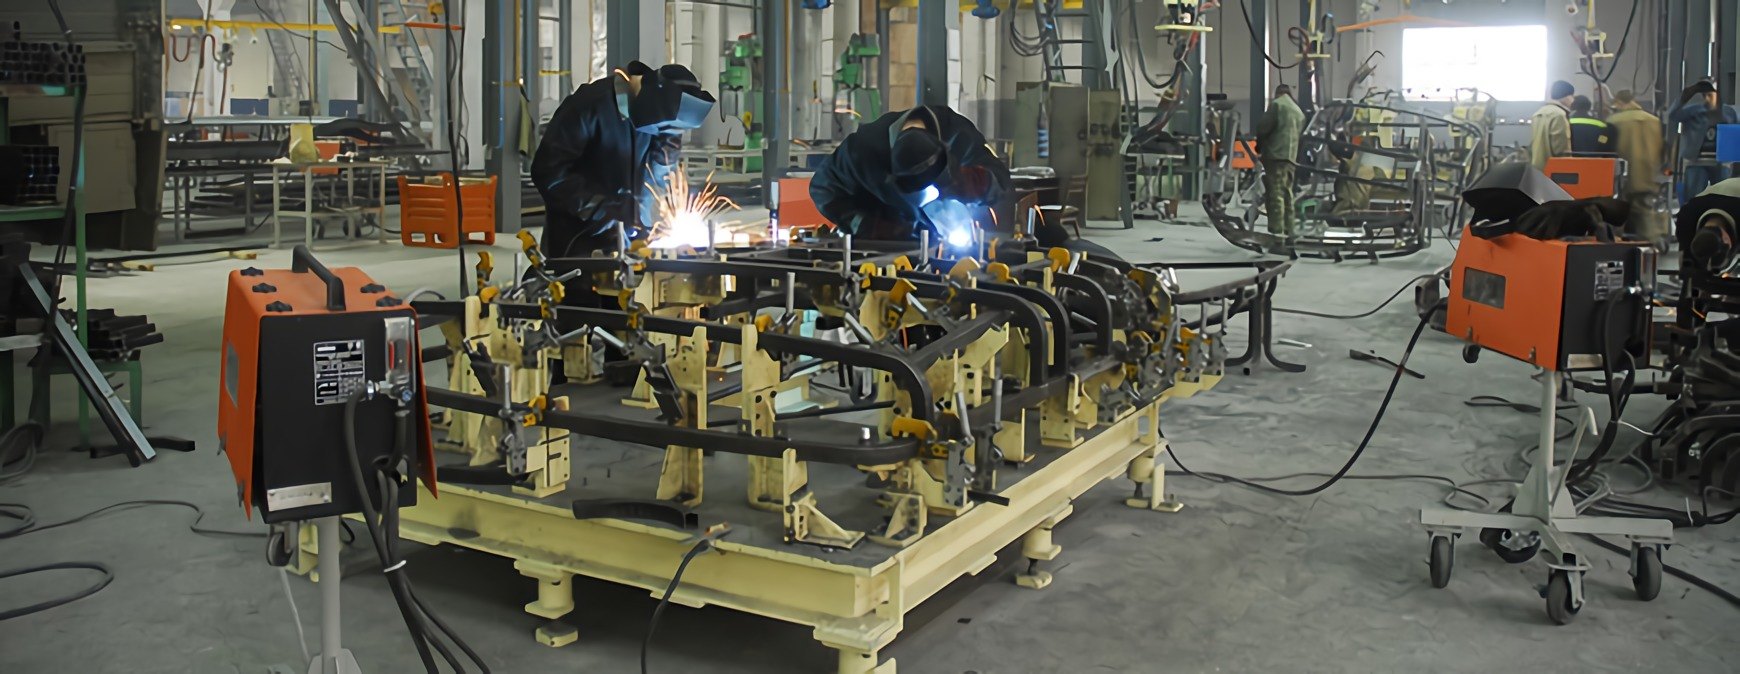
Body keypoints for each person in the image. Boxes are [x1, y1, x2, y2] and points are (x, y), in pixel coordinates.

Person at [530, 61, 716, 259]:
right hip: (579, 243)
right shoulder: (589, 105)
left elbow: (659, 173)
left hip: (631, 245)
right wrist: (603, 211)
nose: (668, 137)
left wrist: (652, 214)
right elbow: (548, 171)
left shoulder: (663, 118)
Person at [810, 105, 1009, 245]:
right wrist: (867, 224)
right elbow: (822, 190)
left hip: (946, 244)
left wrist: (978, 182)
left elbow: (1001, 180)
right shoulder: (861, 151)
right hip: (889, 250)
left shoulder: (958, 135)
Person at [1605, 90, 1668, 242]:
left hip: (1623, 176)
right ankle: (1655, 242)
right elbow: (1662, 148)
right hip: (1647, 174)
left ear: (1620, 102)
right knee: (1645, 211)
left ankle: (1614, 247)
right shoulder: (1653, 120)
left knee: (1617, 213)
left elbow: (1608, 150)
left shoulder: (1614, 121)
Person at [1670, 80, 1740, 206]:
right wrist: (1685, 96)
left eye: (1710, 95)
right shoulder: (1694, 111)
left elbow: (1735, 133)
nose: (1707, 98)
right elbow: (1673, 115)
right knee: (1694, 200)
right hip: (1697, 162)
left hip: (1721, 163)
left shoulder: (1728, 112)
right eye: (1704, 95)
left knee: (1724, 200)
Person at [1255, 84, 1304, 238]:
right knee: (1287, 193)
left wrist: (1259, 146)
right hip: (1291, 158)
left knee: (1275, 193)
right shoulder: (1298, 111)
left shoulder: (1277, 105)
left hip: (1275, 156)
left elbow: (1263, 128)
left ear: (1277, 93)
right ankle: (1290, 229)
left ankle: (1276, 232)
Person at [1529, 80, 1575, 170]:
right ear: (1566, 96)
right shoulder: (1559, 114)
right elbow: (1561, 149)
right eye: (1572, 96)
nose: (1572, 100)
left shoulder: (1537, 113)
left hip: (1537, 168)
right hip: (1553, 171)